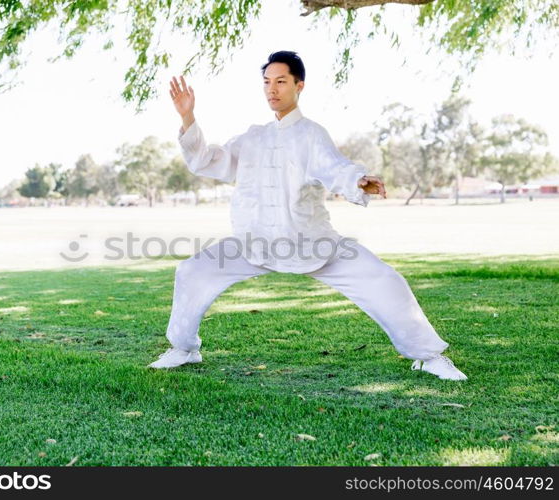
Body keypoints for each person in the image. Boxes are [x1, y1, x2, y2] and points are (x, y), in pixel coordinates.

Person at [148, 51, 467, 381]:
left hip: (312, 243)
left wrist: (357, 180)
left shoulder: (311, 134)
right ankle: (184, 349)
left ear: (299, 86)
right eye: (267, 82)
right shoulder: (253, 137)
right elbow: (206, 160)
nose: (272, 89)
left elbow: (334, 167)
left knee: (385, 281)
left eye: (281, 81)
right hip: (254, 244)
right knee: (192, 272)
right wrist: (188, 117)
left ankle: (429, 356)